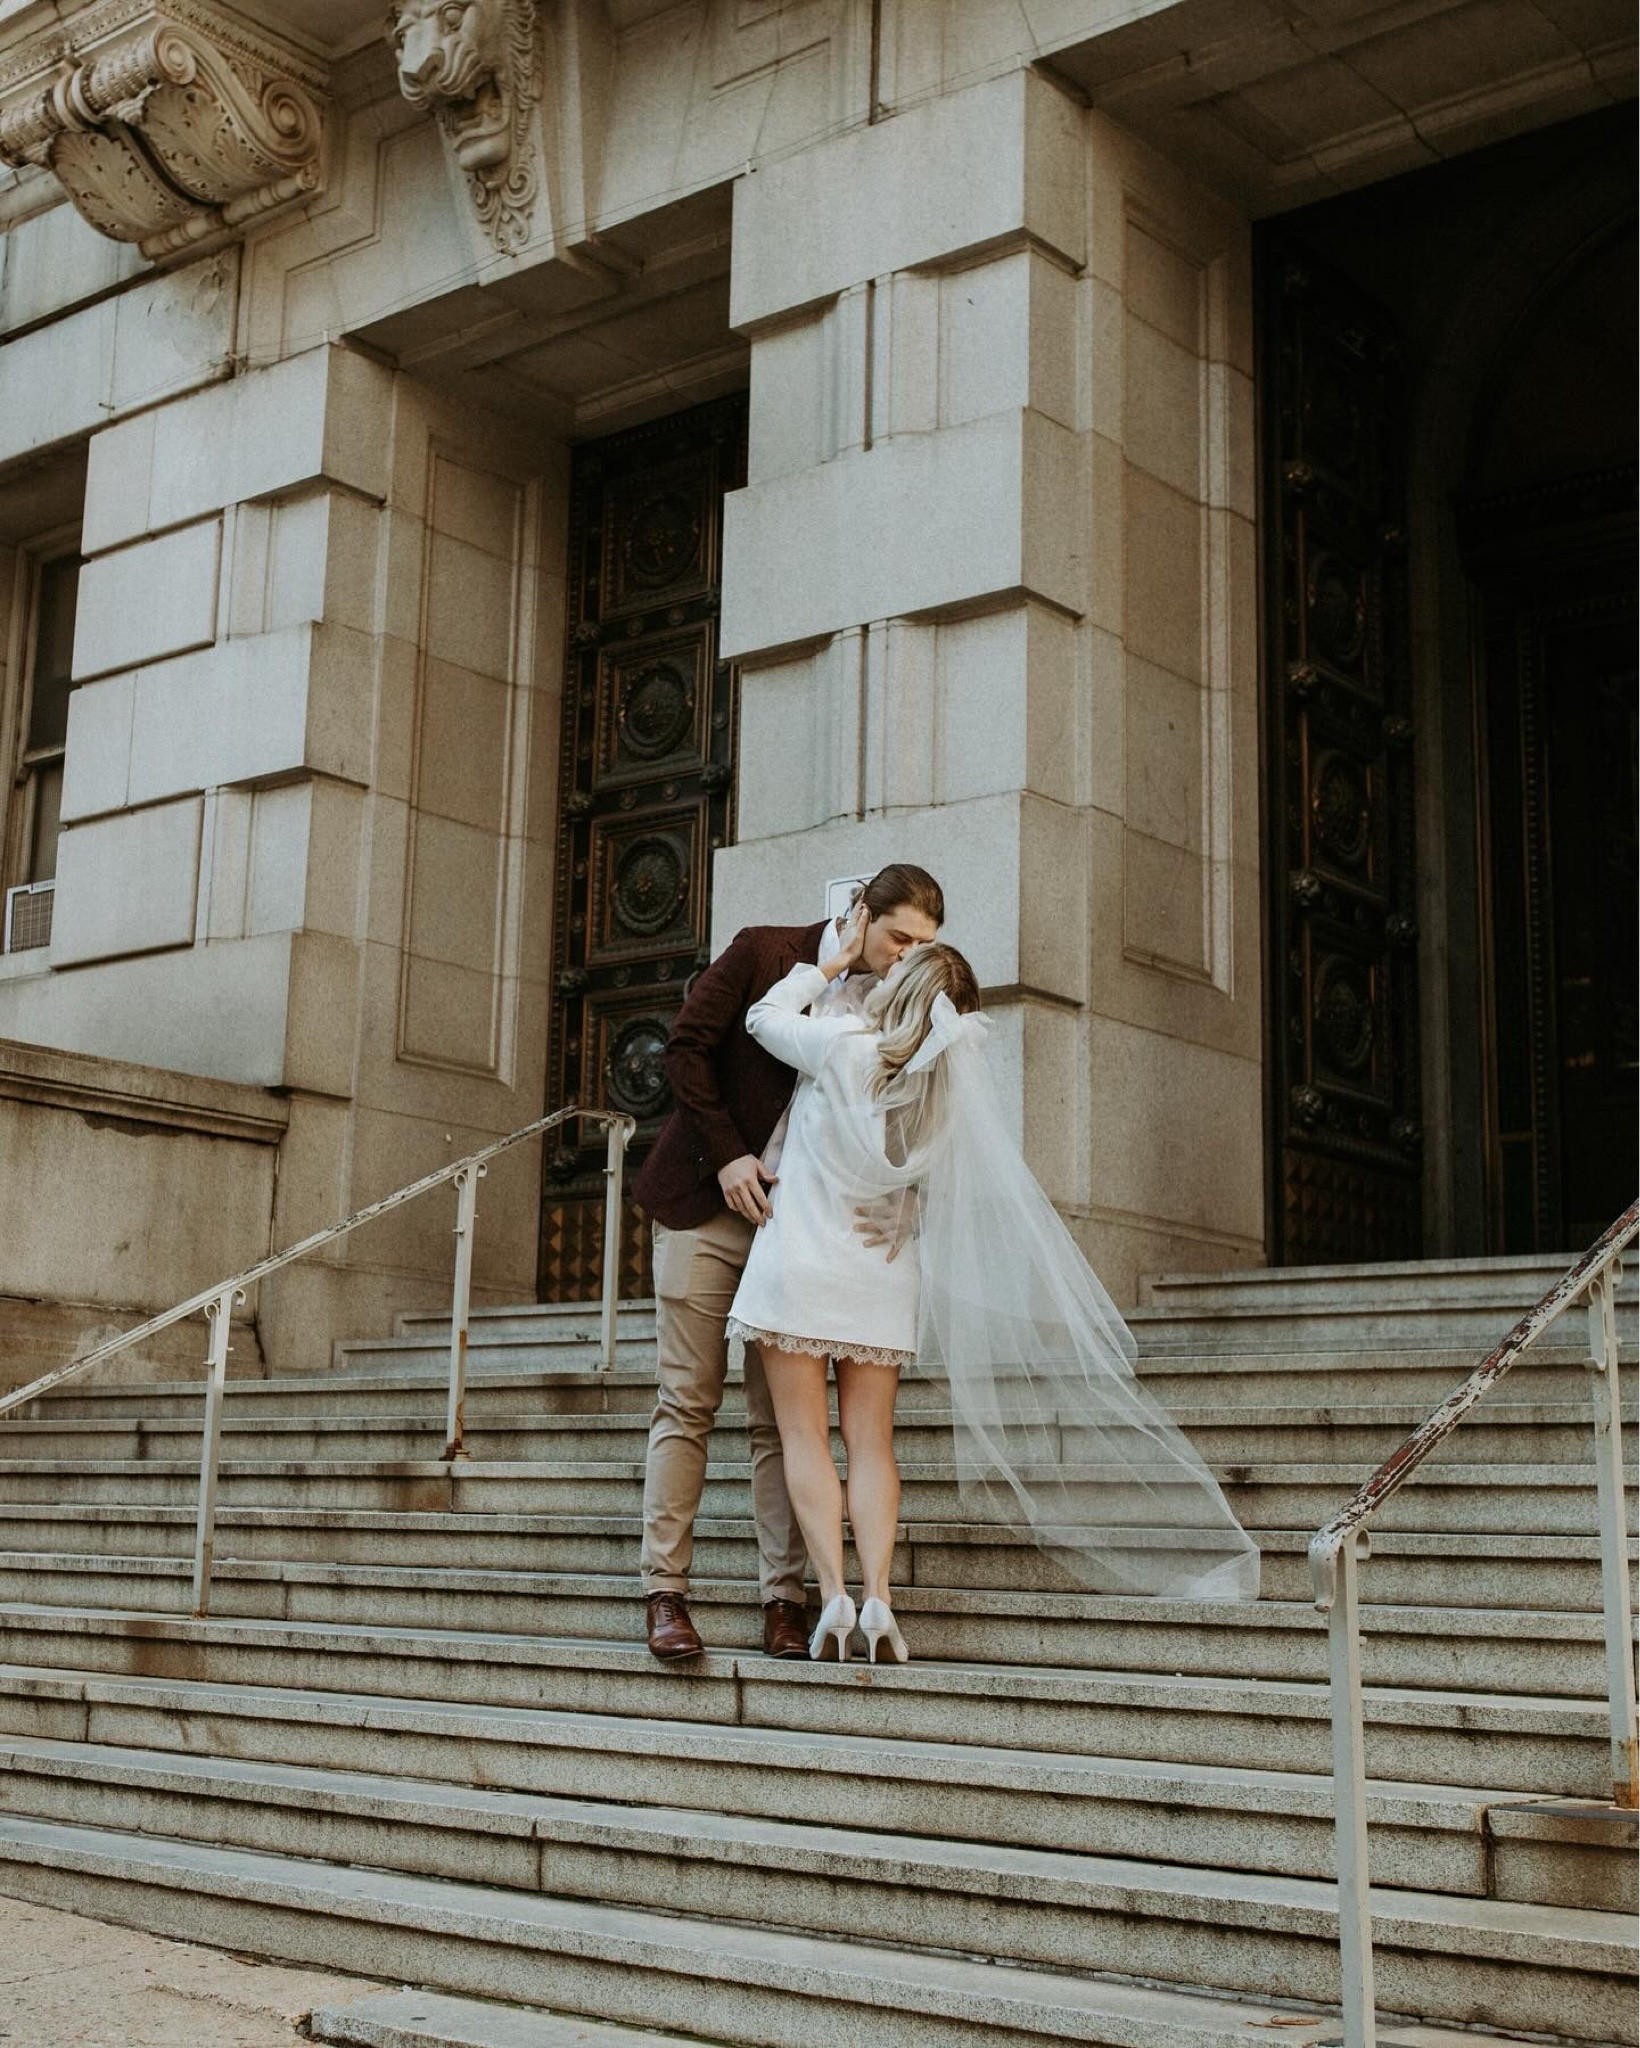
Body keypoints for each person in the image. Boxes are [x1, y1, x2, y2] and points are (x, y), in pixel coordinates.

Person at [728, 914, 1262, 1664]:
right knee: (872, 1443)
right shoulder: (945, 1083)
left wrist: (834, 962)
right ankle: (879, 1594)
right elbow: (933, 1182)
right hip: (879, 1270)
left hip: (801, 1262)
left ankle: (833, 1595)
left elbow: (762, 1018)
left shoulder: (842, 1047)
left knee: (803, 1439)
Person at [629, 864, 947, 1661]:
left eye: (924, 945)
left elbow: (924, 1124)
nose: (907, 955)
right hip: (714, 1205)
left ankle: (787, 1600)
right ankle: (666, 1592)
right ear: (861, 913)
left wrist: (906, 1198)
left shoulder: (904, 1005)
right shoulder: (767, 952)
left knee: (781, 1424)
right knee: (687, 1400)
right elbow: (686, 1052)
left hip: (811, 1235)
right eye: (898, 936)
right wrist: (732, 1155)